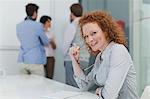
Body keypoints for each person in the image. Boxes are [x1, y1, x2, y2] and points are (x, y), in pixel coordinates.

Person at [69, 11, 139, 99]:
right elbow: (84, 86)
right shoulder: (100, 57)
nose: (89, 39)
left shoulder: (118, 50)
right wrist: (74, 60)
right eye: (86, 36)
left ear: (105, 31)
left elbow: (109, 96)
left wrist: (99, 90)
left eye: (93, 33)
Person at [16, 3, 49, 76]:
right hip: (35, 61)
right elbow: (46, 42)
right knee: (38, 86)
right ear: (34, 13)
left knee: (23, 86)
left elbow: (21, 39)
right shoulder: (38, 25)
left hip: (22, 60)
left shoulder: (19, 26)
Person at [63, 3, 90, 87]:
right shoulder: (87, 25)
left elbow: (66, 44)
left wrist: (64, 56)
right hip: (85, 59)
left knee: (71, 86)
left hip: (72, 60)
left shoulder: (72, 25)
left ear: (71, 13)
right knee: (82, 86)